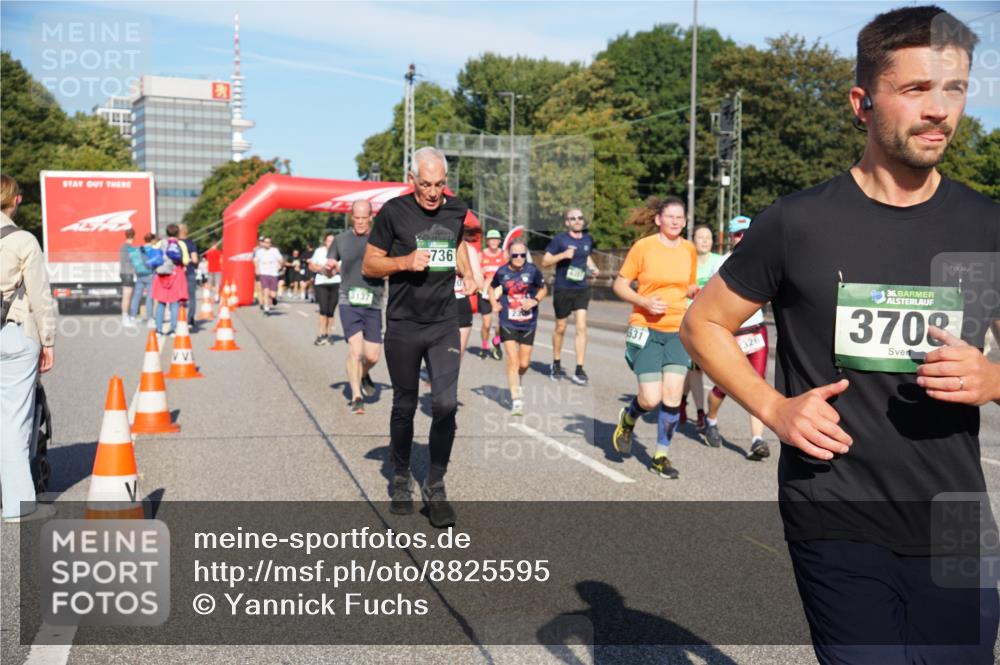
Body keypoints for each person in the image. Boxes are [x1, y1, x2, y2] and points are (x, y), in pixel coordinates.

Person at [681, 7, 998, 663]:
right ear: (862, 102)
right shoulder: (796, 223)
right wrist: (772, 407)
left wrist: (995, 379)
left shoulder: (984, 224)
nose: (940, 110)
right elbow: (703, 323)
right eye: (915, 89)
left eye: (955, 89)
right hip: (834, 509)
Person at [363, 146, 476, 528]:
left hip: (444, 320)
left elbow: (457, 240)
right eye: (426, 184)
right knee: (405, 404)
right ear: (412, 180)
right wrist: (404, 262)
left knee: (445, 404)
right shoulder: (394, 212)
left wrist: (467, 271)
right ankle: (399, 477)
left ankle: (436, 484)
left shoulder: (456, 208)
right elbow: (370, 263)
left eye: (439, 184)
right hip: (404, 323)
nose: (433, 192)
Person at [611, 196, 697, 479]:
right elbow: (620, 284)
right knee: (650, 398)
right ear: (659, 219)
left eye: (680, 217)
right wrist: (644, 302)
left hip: (677, 330)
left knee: (672, 396)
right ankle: (629, 417)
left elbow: (689, 285)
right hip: (646, 327)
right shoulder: (643, 247)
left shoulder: (689, 249)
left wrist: (696, 292)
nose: (676, 221)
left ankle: (661, 456)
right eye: (670, 216)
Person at [1, 174, 57, 523]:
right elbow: (40, 296)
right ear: (16, 200)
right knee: (13, 420)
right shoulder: (22, 240)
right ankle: (18, 506)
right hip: (13, 335)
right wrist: (47, 341)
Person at [700, 216, 771, 461]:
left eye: (746, 233)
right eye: (738, 234)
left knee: (757, 384)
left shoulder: (762, 258)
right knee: (726, 386)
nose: (742, 238)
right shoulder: (721, 263)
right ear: (731, 237)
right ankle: (711, 419)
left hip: (757, 331)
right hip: (731, 334)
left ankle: (756, 440)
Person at [331, 200, 383, 415]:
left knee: (372, 356)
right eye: (357, 218)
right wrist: (327, 267)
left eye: (364, 218)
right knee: (355, 350)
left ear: (370, 217)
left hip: (374, 301)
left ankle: (362, 373)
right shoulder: (340, 240)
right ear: (352, 217)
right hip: (348, 299)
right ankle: (356, 396)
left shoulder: (380, 239)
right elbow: (329, 264)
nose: (361, 222)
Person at [488, 239, 546, 416]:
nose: (519, 258)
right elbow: (491, 288)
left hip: (528, 322)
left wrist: (535, 300)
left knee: (524, 363)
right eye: (515, 255)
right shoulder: (502, 271)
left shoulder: (532, 270)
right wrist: (494, 304)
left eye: (522, 254)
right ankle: (516, 400)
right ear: (509, 255)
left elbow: (543, 289)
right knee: (512, 361)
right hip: (508, 321)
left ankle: (518, 381)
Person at [543, 208, 599, 384]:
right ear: (567, 222)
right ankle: (556, 363)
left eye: (580, 218)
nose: (577, 221)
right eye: (573, 218)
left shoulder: (587, 239)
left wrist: (593, 268)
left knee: (581, 327)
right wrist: (562, 255)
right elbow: (545, 262)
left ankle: (579, 368)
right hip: (563, 288)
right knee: (561, 327)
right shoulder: (560, 240)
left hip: (582, 288)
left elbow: (586, 257)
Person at [680, 224, 724, 431]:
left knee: (697, 368)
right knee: (695, 368)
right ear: (693, 240)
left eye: (708, 237)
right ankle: (700, 412)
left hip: (713, 321)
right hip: (689, 321)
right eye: (700, 237)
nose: (705, 241)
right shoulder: (687, 262)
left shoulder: (718, 262)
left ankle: (680, 400)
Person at [152, 224, 189, 336]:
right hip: (176, 274)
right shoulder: (181, 243)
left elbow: (153, 256)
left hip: (162, 274)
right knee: (175, 303)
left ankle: (158, 329)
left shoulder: (159, 243)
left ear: (167, 233)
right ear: (178, 233)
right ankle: (173, 330)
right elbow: (186, 260)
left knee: (161, 302)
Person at [456, 226, 484, 363]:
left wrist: (468, 278)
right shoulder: (433, 244)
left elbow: (480, 282)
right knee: (436, 356)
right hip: (436, 305)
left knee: (456, 357)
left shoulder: (469, 250)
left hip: (459, 304)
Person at [478, 228, 507, 360]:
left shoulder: (504, 255)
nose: (494, 242)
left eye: (496, 239)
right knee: (487, 324)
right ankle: (484, 346)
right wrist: (482, 277)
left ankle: (496, 342)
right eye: (491, 239)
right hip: (484, 293)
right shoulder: (481, 255)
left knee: (501, 324)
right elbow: (476, 274)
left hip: (500, 294)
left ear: (500, 241)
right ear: (487, 241)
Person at [309, 232, 340, 345]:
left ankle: (329, 335)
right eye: (328, 241)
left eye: (333, 241)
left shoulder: (340, 251)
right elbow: (311, 265)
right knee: (323, 309)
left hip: (336, 282)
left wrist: (335, 270)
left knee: (331, 311)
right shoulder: (319, 251)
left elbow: (345, 267)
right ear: (325, 242)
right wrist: (321, 269)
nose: (331, 243)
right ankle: (321, 334)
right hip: (321, 282)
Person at [127, 231, 155, 326]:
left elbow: (131, 259)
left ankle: (132, 317)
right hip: (150, 275)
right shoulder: (152, 249)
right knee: (149, 298)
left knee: (136, 297)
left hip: (139, 275)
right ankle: (150, 319)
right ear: (152, 240)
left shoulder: (138, 249)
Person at [253, 236, 283, 315]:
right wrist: (257, 268)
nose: (267, 244)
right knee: (265, 291)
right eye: (265, 242)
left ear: (271, 243)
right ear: (263, 243)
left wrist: (280, 264)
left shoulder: (275, 251)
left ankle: (273, 298)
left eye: (268, 242)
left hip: (273, 273)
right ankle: (267, 308)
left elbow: (280, 259)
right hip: (264, 273)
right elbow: (256, 260)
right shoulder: (259, 252)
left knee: (273, 294)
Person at [178, 224, 199, 326]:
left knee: (178, 296)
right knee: (191, 297)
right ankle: (190, 318)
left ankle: (178, 318)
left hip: (178, 273)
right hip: (190, 272)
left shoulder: (175, 243)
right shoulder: (191, 243)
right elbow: (195, 260)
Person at [118, 228, 136, 328]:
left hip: (124, 272)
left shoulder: (122, 246)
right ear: (133, 236)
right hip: (128, 273)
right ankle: (125, 318)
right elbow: (132, 261)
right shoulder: (130, 248)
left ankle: (126, 316)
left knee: (127, 296)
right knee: (127, 296)